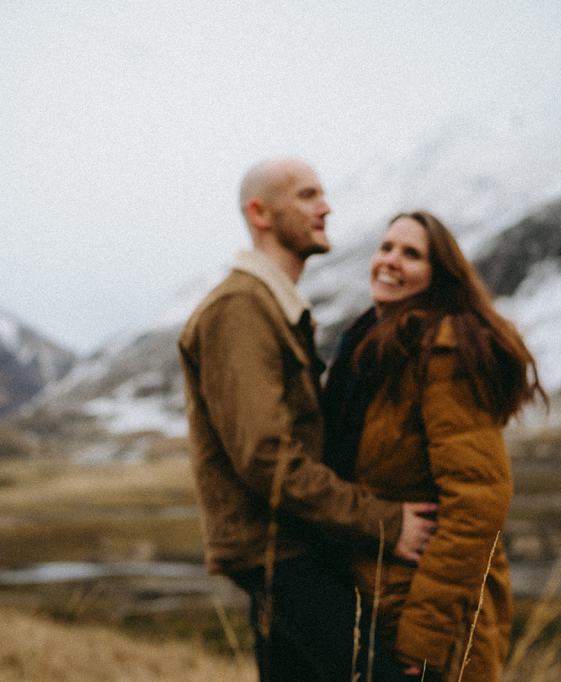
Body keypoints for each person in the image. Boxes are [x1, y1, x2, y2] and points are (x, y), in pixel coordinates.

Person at [178, 159, 437, 681]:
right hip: (282, 555)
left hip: (295, 548)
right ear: (261, 213)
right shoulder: (240, 311)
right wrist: (385, 523)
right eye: (307, 195)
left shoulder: (272, 307)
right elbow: (266, 456)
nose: (327, 207)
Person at [322, 211, 547, 681]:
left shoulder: (444, 354)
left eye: (411, 254)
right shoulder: (374, 350)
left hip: (432, 624)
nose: (391, 261)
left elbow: (478, 501)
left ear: (437, 274)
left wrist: (424, 636)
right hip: (382, 602)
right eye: (386, 248)